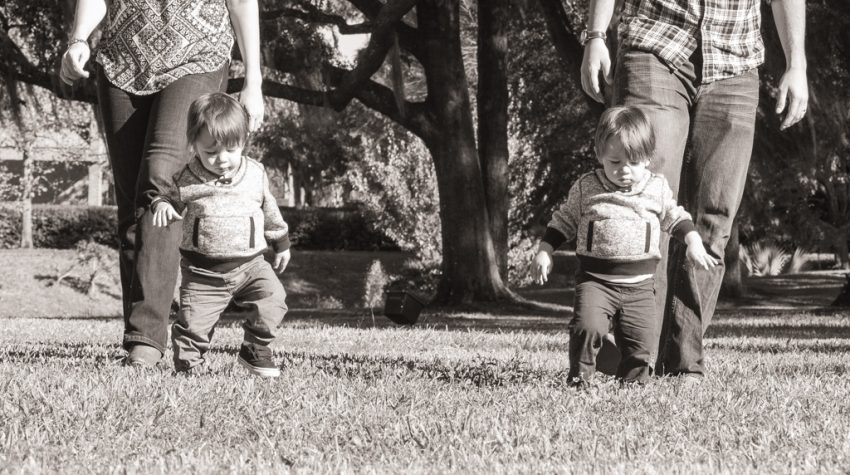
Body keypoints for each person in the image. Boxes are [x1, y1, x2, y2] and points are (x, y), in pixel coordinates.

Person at [580, 0, 808, 378]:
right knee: (645, 203)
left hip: (735, 58)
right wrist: (595, 36)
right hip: (656, 41)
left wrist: (796, 64)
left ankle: (685, 364)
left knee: (714, 221)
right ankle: (638, 358)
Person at [59, 0, 265, 366]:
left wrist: (253, 80)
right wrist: (79, 40)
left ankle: (146, 343)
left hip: (197, 53)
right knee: (132, 200)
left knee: (159, 179)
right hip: (122, 62)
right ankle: (140, 335)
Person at [532, 106, 718, 386]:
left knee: (640, 343)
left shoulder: (656, 188)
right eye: (615, 162)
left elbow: (675, 216)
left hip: (641, 287)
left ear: (647, 157)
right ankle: (579, 381)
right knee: (587, 328)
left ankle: (634, 386)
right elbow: (564, 221)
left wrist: (693, 241)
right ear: (600, 156)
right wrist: (545, 250)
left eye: (633, 161)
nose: (624, 170)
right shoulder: (588, 187)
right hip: (595, 282)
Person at [151, 92, 290, 377]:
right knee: (192, 325)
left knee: (273, 299)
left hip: (252, 266)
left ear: (243, 141)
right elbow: (165, 197)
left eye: (231, 149)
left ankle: (256, 349)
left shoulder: (254, 173)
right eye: (210, 153)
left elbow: (269, 209)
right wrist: (162, 205)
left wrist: (281, 242)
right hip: (203, 273)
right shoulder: (187, 178)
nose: (222, 160)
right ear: (194, 146)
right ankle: (189, 369)